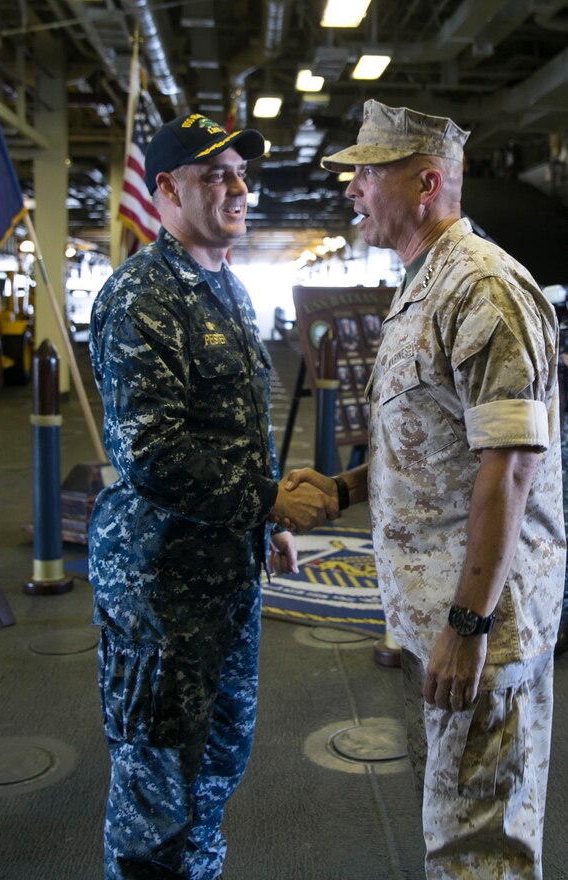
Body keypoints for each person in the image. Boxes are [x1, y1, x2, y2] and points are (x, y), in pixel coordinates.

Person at [287, 100, 565, 878]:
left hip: (481, 623)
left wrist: (469, 623)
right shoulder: (424, 286)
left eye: (366, 173)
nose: (352, 189)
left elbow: (509, 467)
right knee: (453, 820)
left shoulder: (484, 291)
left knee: (479, 847)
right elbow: (434, 447)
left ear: (426, 182)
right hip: (435, 613)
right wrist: (344, 489)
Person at [87, 113, 337, 879]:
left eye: (239, 173)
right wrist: (266, 499)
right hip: (160, 587)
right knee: (157, 775)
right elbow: (153, 452)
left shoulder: (226, 288)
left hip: (223, 573)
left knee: (219, 755)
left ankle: (197, 865)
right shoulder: (141, 297)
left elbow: (236, 430)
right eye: (214, 174)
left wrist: (265, 525)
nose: (237, 188)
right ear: (164, 190)